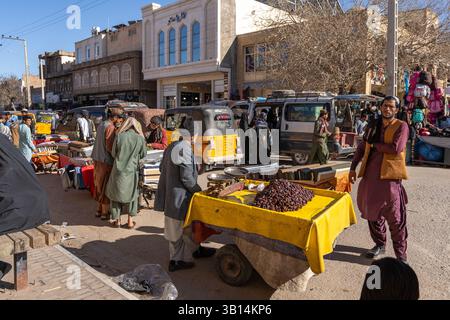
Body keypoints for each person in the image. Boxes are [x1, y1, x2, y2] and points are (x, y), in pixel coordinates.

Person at [349, 96, 409, 263]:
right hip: (370, 177)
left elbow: (396, 148)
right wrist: (352, 168)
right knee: (371, 213)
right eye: (385, 106)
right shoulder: (372, 125)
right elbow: (362, 147)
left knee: (396, 219)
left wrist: (375, 145)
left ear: (396, 109)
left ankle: (401, 256)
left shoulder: (401, 126)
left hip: (390, 180)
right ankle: (379, 245)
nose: (387, 109)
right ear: (380, 107)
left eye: (391, 106)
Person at [155, 119, 216, 272]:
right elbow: (187, 178)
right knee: (175, 230)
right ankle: (176, 261)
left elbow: (163, 168)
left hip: (175, 196)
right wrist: (199, 192)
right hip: (178, 198)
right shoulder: (184, 149)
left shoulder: (173, 146)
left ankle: (196, 250)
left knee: (188, 227)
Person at [106, 117, 147, 229]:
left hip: (118, 171)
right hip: (132, 171)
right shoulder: (140, 138)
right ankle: (130, 221)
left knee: (115, 195)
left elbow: (114, 153)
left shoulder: (119, 136)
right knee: (133, 195)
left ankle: (117, 221)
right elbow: (143, 154)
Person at [91, 108, 124, 220]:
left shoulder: (102, 124)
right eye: (119, 118)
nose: (119, 120)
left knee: (99, 185)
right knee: (105, 186)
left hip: (97, 158)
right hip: (105, 161)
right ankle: (105, 213)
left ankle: (99, 210)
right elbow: (110, 147)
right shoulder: (110, 127)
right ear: (114, 117)